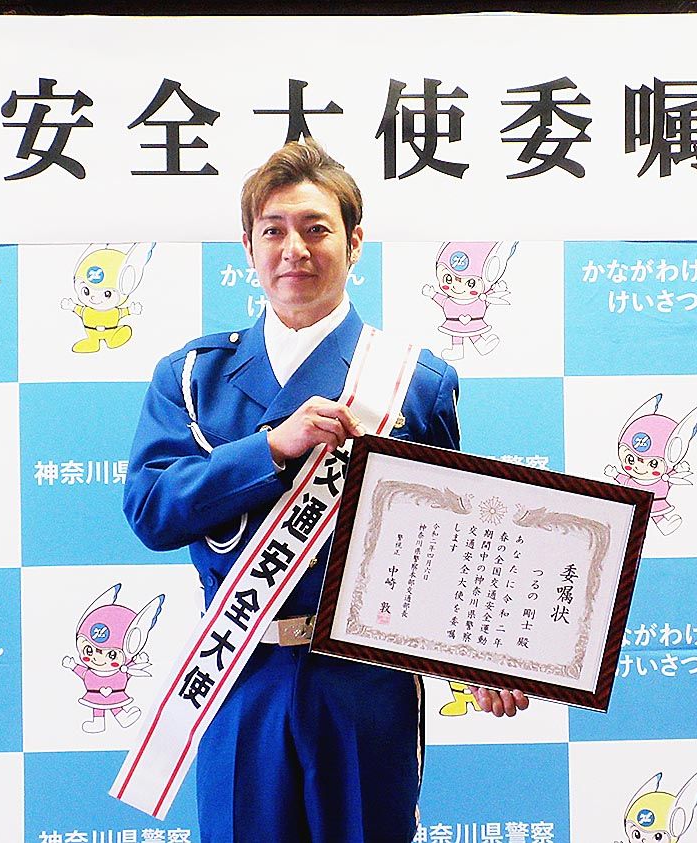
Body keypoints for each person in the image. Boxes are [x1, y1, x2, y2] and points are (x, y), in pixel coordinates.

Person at [123, 140, 527, 843]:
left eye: (316, 229)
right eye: (273, 230)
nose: (294, 249)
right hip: (238, 673)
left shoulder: (415, 381)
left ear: (354, 241)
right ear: (248, 247)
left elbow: (454, 542)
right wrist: (270, 449)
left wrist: (486, 657)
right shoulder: (191, 376)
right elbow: (152, 512)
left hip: (366, 681)